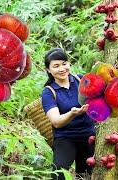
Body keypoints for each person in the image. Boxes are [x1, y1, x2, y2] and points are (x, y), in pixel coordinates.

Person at [41, 48, 95, 180]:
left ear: (69, 64)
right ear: (48, 70)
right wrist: (72, 114)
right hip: (66, 138)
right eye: (56, 66)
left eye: (64, 63)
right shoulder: (48, 92)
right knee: (58, 173)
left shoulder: (81, 80)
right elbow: (56, 121)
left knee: (86, 176)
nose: (62, 69)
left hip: (89, 137)